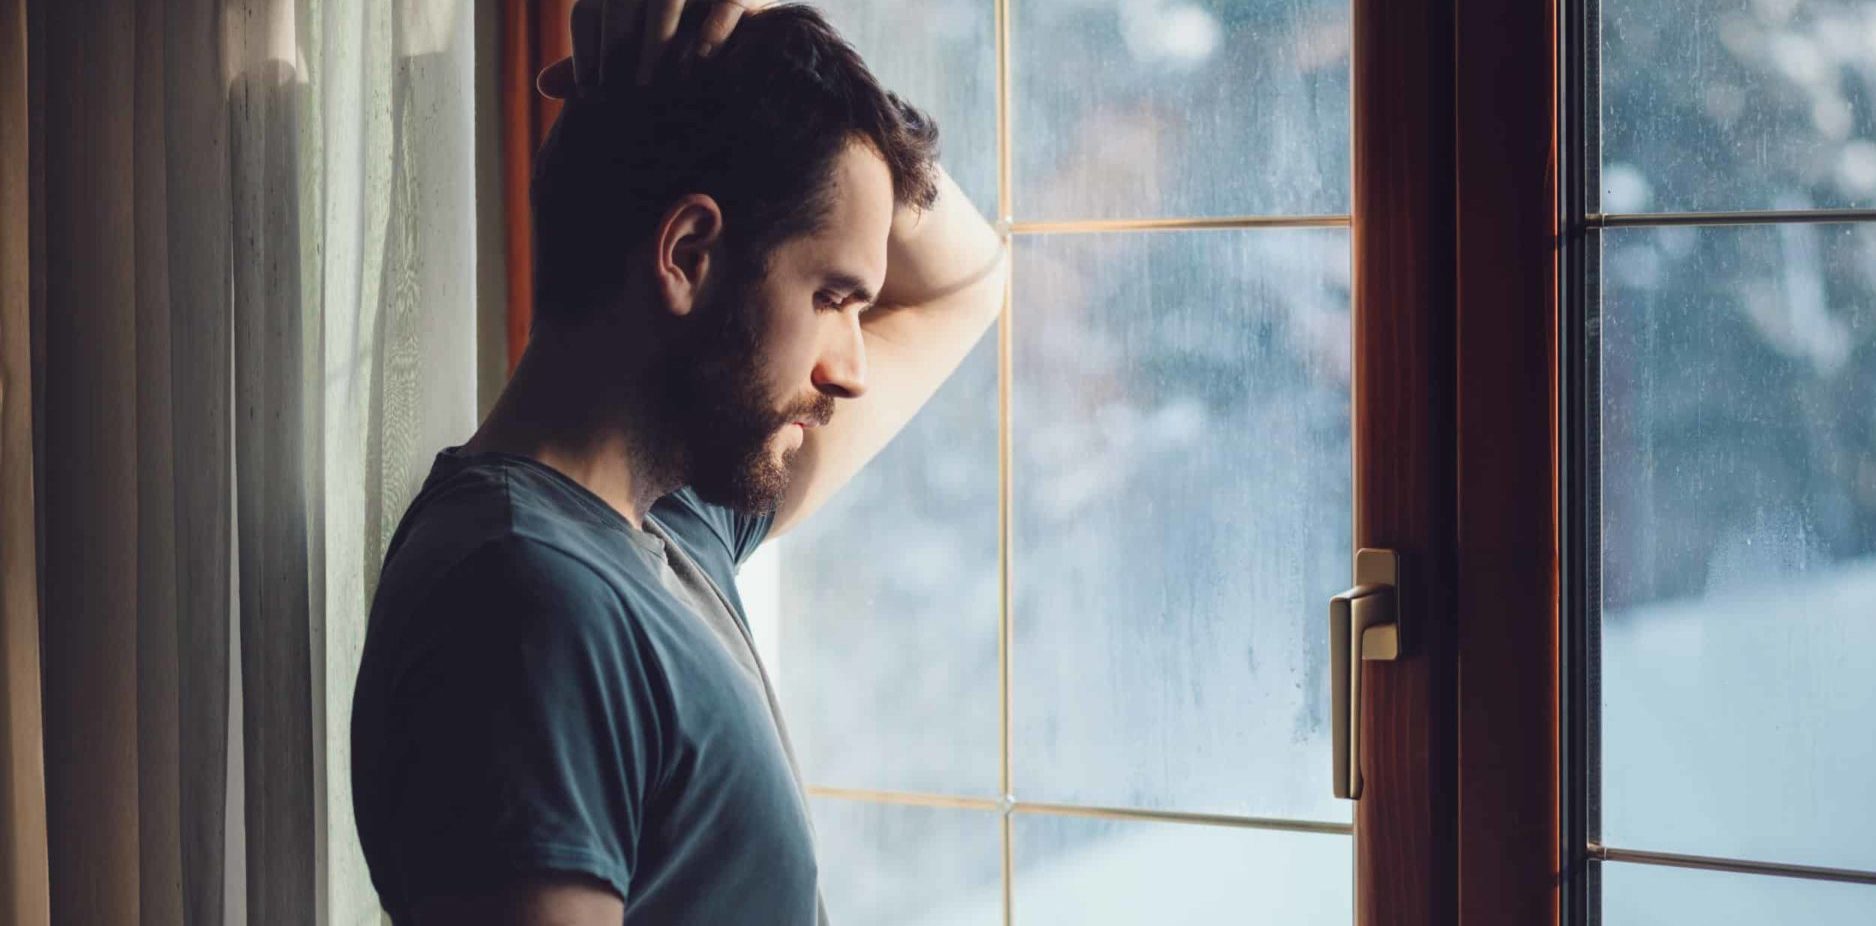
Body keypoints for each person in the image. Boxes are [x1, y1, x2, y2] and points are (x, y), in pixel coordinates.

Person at [347, 1, 1006, 923]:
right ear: (690, 254)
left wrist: (754, 23)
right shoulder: (525, 603)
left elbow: (965, 283)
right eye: (832, 297)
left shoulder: (671, 527)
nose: (850, 368)